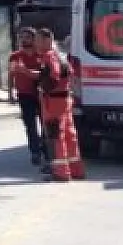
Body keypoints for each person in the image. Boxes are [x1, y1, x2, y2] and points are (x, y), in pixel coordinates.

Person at [35, 30, 85, 181]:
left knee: (55, 135)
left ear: (46, 40)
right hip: (65, 99)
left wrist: (43, 87)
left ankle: (60, 172)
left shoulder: (49, 56)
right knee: (70, 135)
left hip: (53, 100)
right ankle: (76, 169)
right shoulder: (61, 54)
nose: (35, 44)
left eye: (38, 40)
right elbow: (70, 73)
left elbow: (54, 76)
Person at [9, 27, 47, 165]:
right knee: (30, 124)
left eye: (27, 37)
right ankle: (35, 151)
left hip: (41, 93)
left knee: (45, 123)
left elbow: (45, 73)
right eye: (22, 37)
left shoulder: (42, 54)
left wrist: (27, 71)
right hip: (24, 94)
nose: (24, 40)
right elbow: (12, 73)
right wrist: (10, 92)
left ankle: (46, 149)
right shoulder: (15, 56)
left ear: (33, 39)